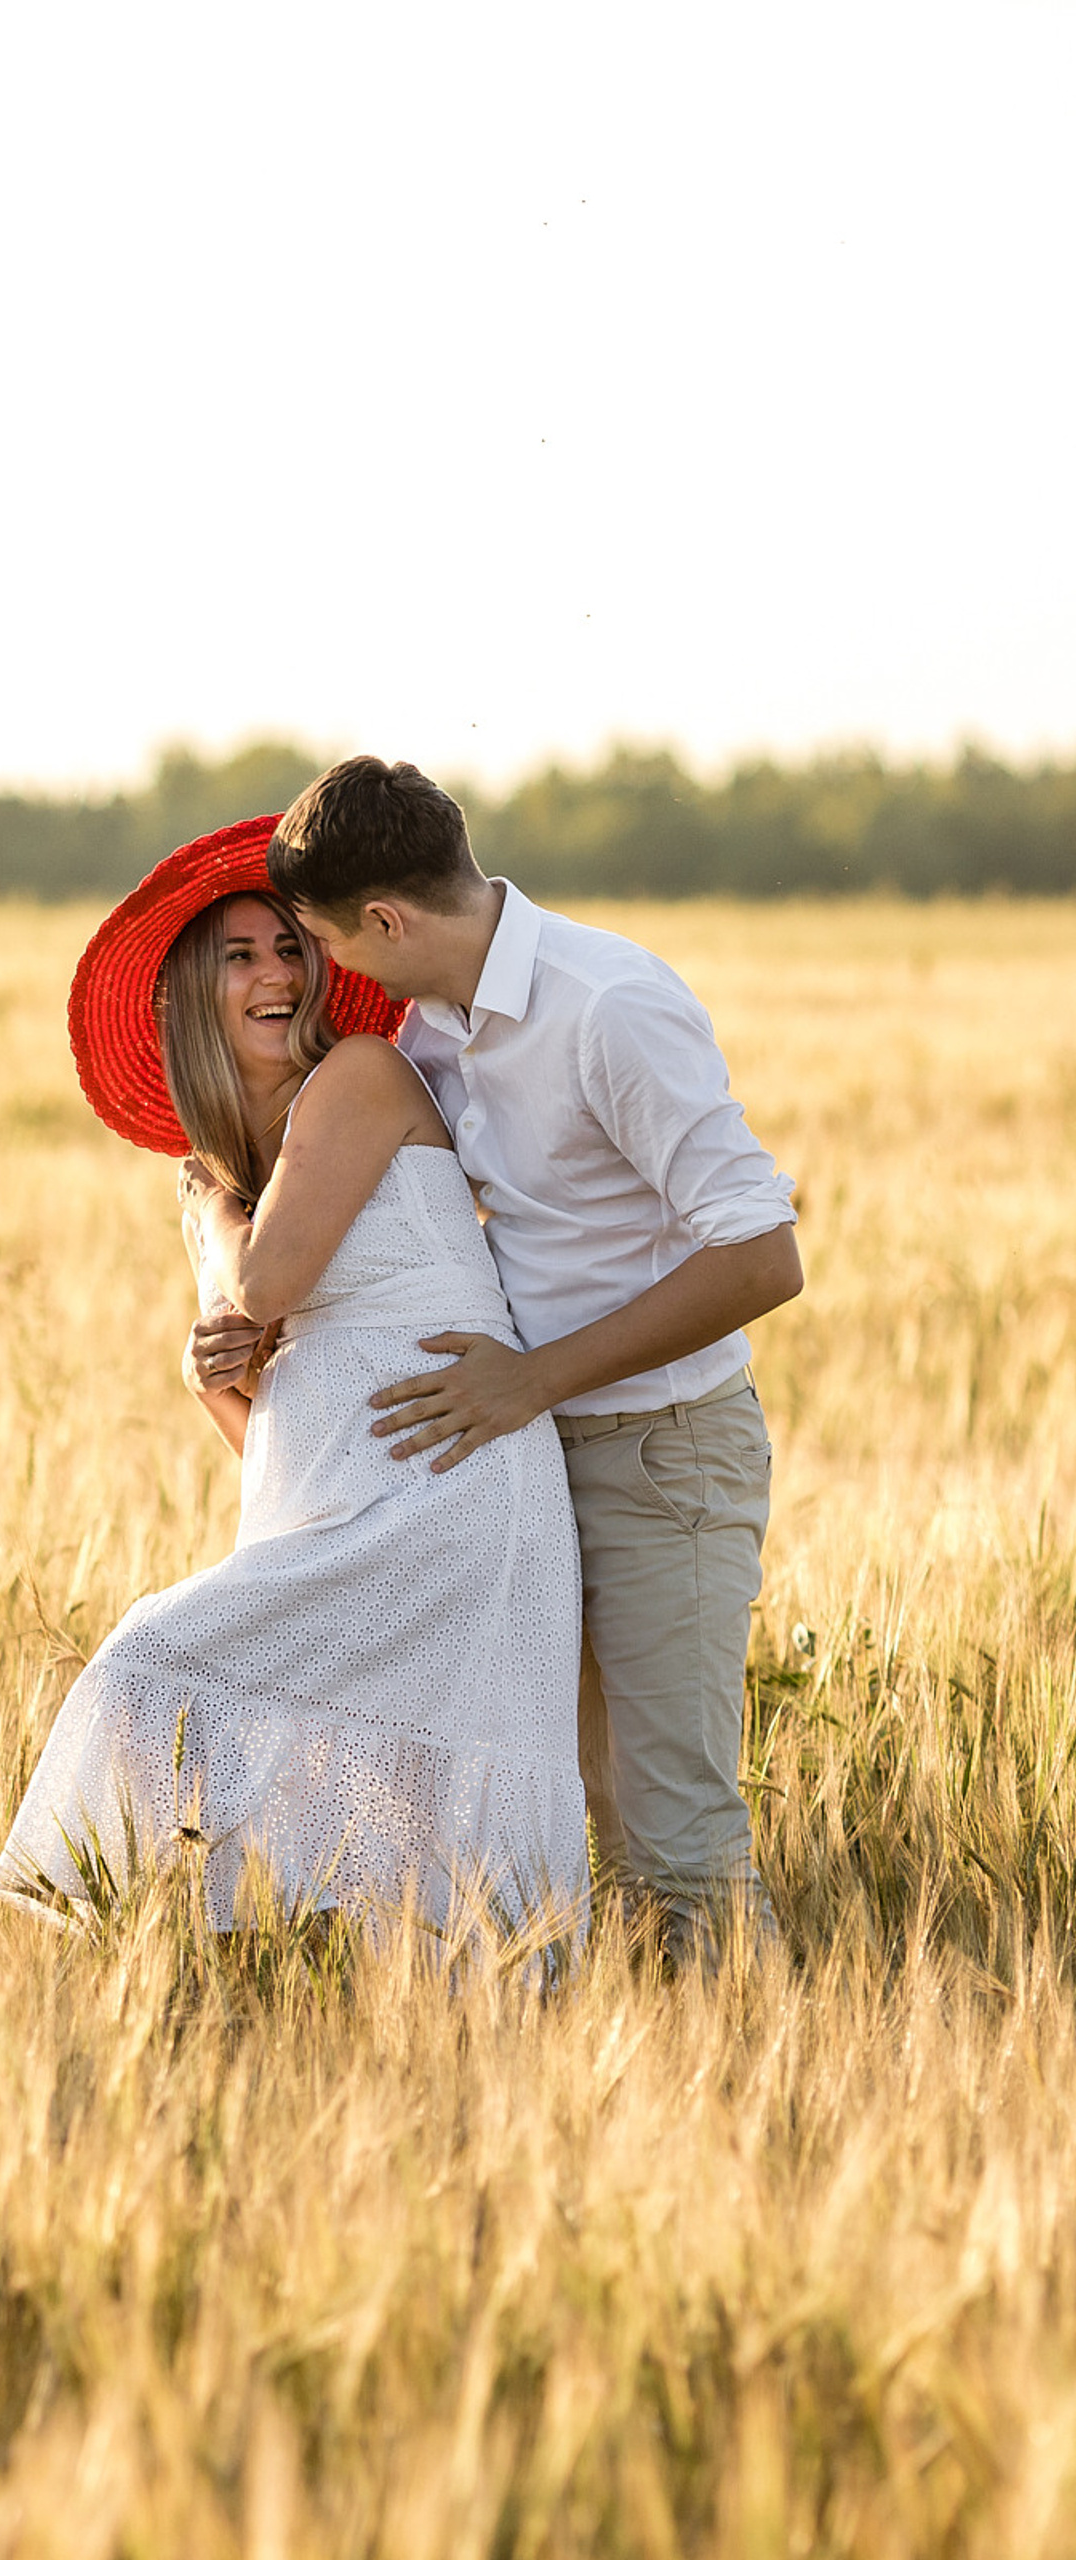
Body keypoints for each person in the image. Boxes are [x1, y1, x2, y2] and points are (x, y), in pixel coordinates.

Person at [0, 818, 589, 1939]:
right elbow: (267, 1424)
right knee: (353, 1828)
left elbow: (264, 1281)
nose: (273, 974)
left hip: (450, 1493)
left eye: (287, 947)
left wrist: (215, 1230)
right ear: (188, 996)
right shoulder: (225, 1176)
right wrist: (205, 1374)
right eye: (238, 955)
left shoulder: (359, 1078)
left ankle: (72, 1946)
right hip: (333, 1503)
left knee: (142, 1669)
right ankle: (288, 2007)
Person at [249, 756, 801, 1965]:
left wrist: (530, 1379)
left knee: (675, 1836)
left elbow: (763, 1257)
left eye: (332, 943)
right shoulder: (431, 1027)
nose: (333, 971)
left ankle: (768, 2102)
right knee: (589, 1813)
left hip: (663, 1456)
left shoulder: (605, 1004)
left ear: (386, 920)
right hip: (526, 1465)